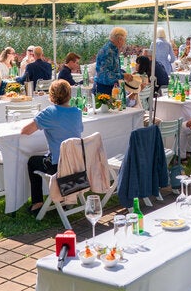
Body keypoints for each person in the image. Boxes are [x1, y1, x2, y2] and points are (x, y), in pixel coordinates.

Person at [22, 80, 83, 215]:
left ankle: (37, 203)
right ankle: (64, 196)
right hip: (77, 165)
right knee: (44, 158)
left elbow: (25, 131)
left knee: (32, 161)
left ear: (51, 96)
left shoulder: (50, 112)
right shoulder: (77, 112)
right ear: (69, 95)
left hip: (59, 166)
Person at [94, 27, 130, 97]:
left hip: (110, 86)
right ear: (120, 40)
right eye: (124, 40)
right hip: (105, 88)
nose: (124, 42)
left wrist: (123, 74)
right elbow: (106, 75)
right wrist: (123, 75)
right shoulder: (108, 52)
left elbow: (113, 69)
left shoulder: (113, 50)